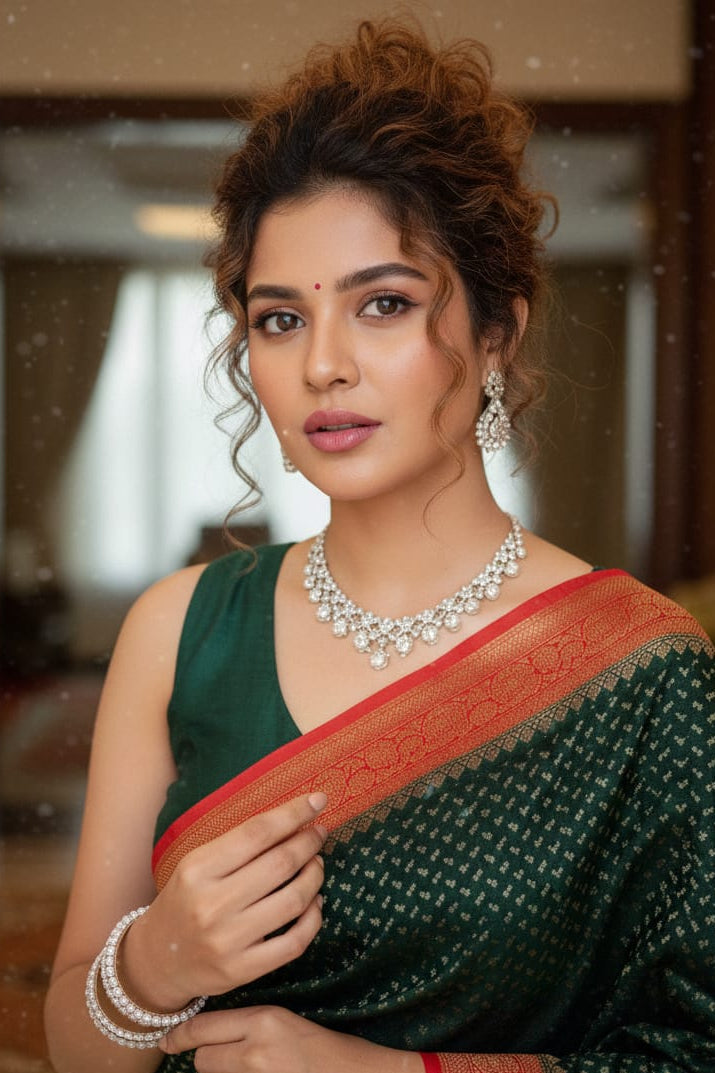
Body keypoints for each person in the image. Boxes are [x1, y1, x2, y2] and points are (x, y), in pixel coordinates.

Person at [44, 18, 715, 1073]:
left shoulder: (644, 672)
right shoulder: (178, 630)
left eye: (384, 304)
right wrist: (152, 965)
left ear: (497, 333)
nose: (324, 365)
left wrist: (386, 1070)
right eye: (278, 320)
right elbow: (74, 1039)